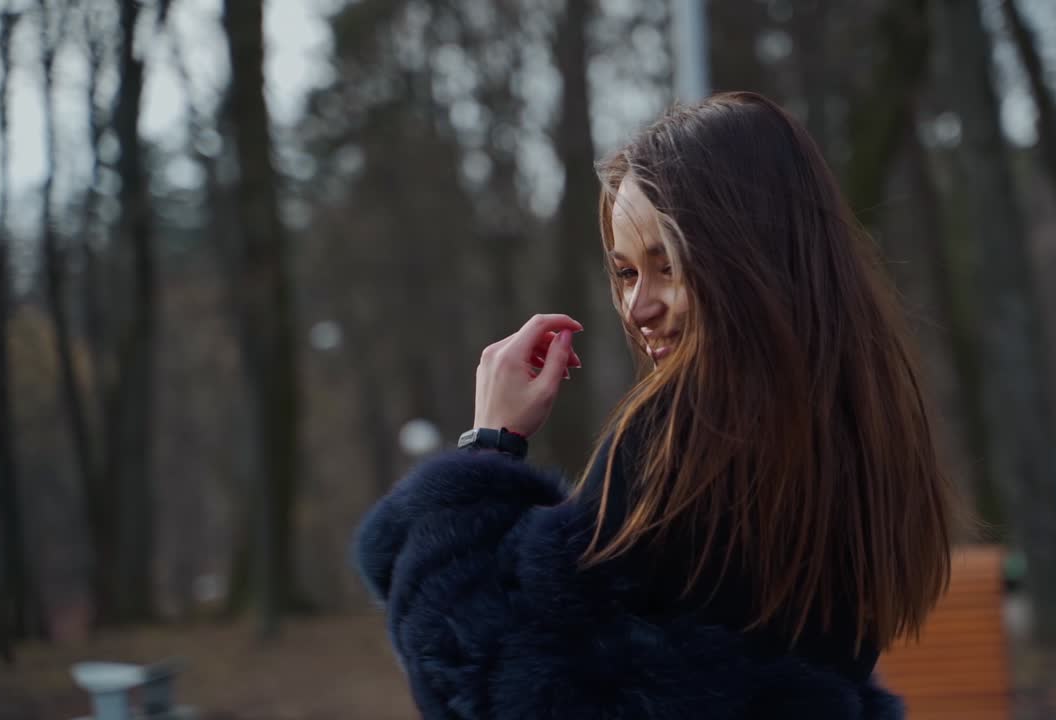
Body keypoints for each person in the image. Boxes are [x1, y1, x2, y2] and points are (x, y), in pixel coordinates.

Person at [355, 91, 952, 719]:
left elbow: (485, 681)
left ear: (744, 259)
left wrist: (486, 452)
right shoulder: (860, 420)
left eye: (667, 267)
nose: (638, 307)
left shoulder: (690, 432)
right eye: (626, 273)